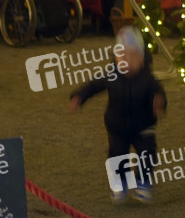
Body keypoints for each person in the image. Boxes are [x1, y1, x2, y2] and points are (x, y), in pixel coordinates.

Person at [70, 27, 167, 204]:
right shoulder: (111, 75)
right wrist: (79, 97)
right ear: (115, 58)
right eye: (122, 56)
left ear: (142, 59)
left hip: (143, 125)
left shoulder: (149, 80)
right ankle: (121, 182)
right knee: (116, 155)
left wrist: (160, 103)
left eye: (133, 56)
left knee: (147, 154)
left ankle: (143, 182)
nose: (127, 61)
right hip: (117, 127)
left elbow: (159, 93)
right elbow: (93, 86)